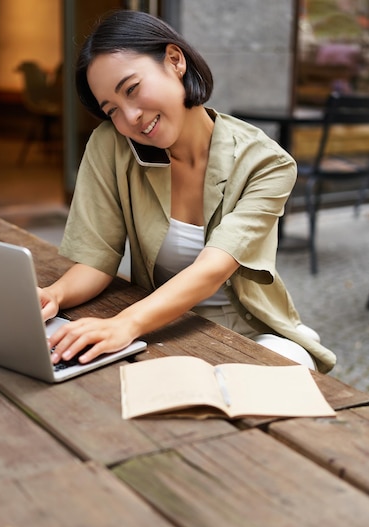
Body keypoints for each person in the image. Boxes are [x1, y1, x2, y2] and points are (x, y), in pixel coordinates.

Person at [39, 9, 336, 373]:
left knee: (280, 379)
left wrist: (125, 324)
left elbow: (213, 268)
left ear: (174, 61)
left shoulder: (266, 163)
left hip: (248, 332)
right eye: (111, 109)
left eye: (132, 89)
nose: (129, 117)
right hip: (160, 327)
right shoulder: (111, 146)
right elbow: (96, 258)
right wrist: (54, 295)